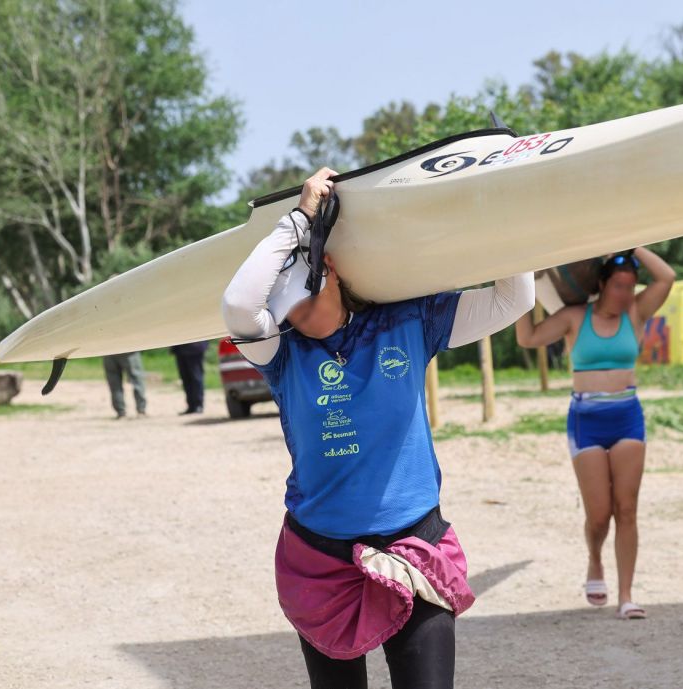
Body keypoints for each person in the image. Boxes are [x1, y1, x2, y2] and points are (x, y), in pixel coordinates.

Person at [221, 167, 534, 688]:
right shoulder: (281, 353)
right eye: (289, 310)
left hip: (415, 546)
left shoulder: (408, 323)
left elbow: (512, 300)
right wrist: (299, 219)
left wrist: (507, 210)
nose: (300, 317)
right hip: (322, 561)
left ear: (331, 271)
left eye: (306, 299)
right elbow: (237, 304)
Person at [515, 248, 675, 620]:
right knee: (599, 515)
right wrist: (520, 285)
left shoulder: (636, 313)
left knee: (627, 509)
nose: (625, 294)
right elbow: (528, 337)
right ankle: (595, 559)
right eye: (618, 286)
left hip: (627, 417)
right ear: (602, 284)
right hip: (586, 420)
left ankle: (627, 596)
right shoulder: (575, 317)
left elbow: (666, 277)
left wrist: (631, 245)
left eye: (630, 287)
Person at [102, 352, 147, 420]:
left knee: (114, 383)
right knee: (137, 380)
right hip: (129, 351)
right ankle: (141, 411)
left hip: (108, 352)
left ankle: (121, 413)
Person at [169, 340, 208, 414]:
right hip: (180, 348)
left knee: (196, 377)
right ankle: (191, 405)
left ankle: (198, 405)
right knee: (185, 378)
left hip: (195, 347)